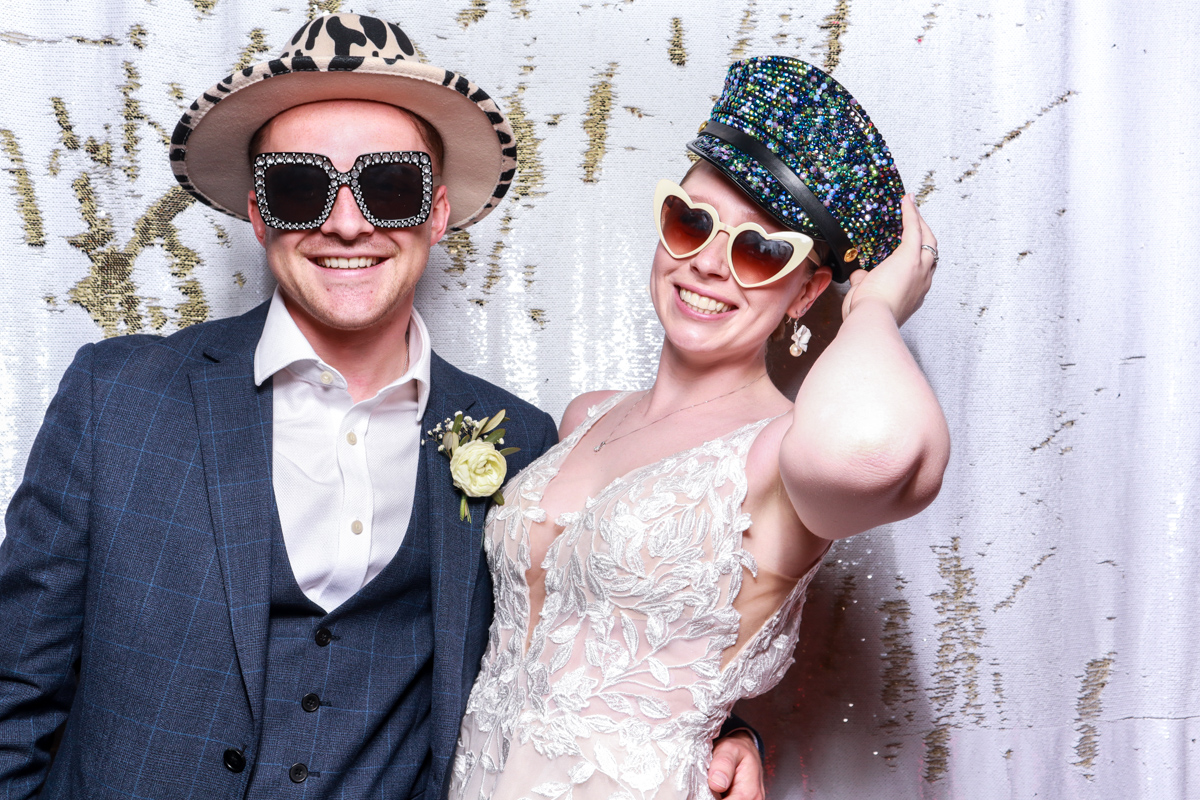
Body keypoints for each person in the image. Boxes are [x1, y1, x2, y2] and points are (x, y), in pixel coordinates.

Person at [0, 14, 762, 800]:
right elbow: (13, 694)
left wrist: (722, 733)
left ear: (437, 212)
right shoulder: (116, 398)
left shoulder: (526, 448)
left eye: (388, 186)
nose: (346, 223)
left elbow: (589, 648)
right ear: (259, 214)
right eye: (299, 188)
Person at [450, 57, 951, 800]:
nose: (710, 265)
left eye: (759, 249)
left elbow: (875, 451)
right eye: (691, 222)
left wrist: (875, 308)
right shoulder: (588, 414)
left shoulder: (783, 452)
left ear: (807, 289)